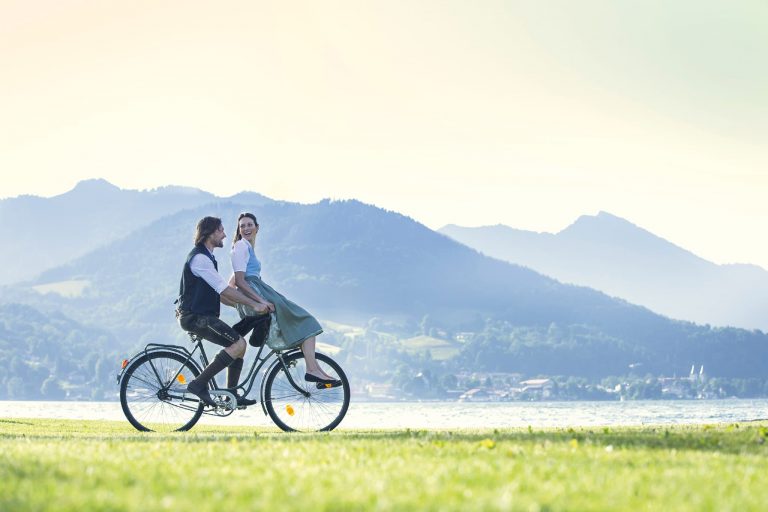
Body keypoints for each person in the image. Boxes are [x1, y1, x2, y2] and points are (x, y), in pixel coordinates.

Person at [230, 212, 339, 385]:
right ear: (239, 229)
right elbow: (240, 282)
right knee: (305, 320)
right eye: (242, 226)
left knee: (301, 323)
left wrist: (240, 300)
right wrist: (259, 301)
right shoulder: (241, 246)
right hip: (258, 290)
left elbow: (233, 281)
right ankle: (312, 369)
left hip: (260, 289)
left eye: (249, 224)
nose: (246, 228)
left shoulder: (247, 248)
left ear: (257, 228)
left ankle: (315, 369)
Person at [176, 216, 269, 407]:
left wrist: (244, 306)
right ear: (209, 233)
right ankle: (198, 384)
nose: (225, 235)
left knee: (239, 346)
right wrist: (254, 304)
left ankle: (231, 394)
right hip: (195, 317)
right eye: (220, 230)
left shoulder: (208, 258)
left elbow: (222, 296)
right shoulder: (200, 258)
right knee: (238, 343)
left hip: (201, 316)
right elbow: (225, 290)